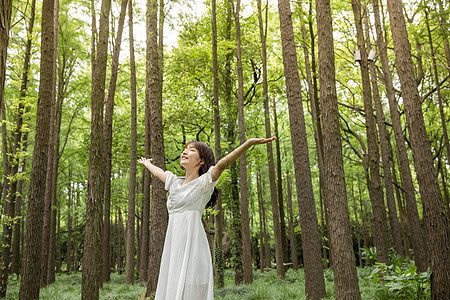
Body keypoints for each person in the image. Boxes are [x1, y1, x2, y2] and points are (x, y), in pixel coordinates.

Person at [138, 137, 275, 300]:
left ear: (202, 160)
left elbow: (222, 163)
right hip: (174, 247)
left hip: (193, 246)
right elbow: (158, 172)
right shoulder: (174, 182)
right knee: (173, 288)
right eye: (185, 149)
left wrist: (248, 143)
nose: (185, 151)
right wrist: (147, 163)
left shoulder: (204, 183)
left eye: (191, 150)